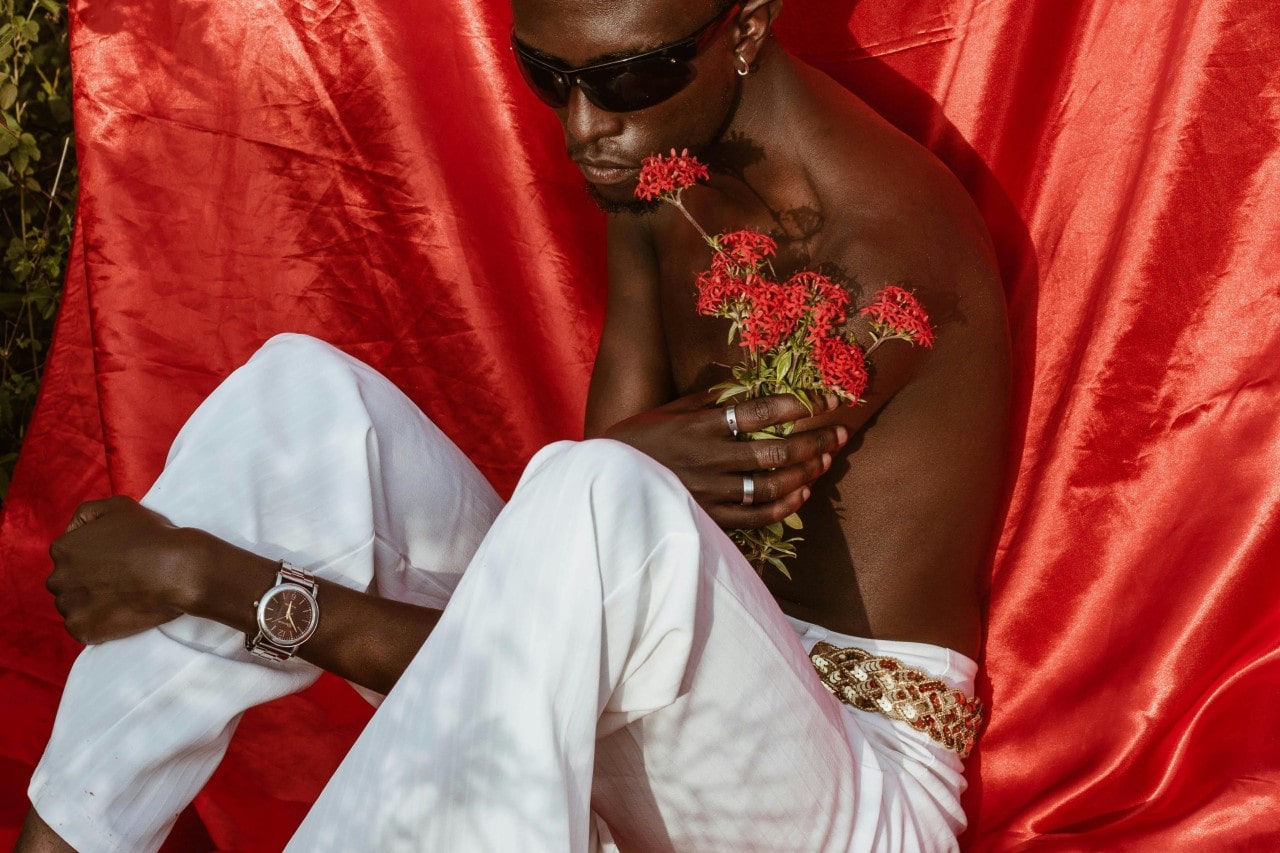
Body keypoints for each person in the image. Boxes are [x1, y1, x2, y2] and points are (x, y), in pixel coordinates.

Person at [17, 0, 1009, 850]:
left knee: (596, 490)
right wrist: (613, 469)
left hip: (837, 794)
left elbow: (569, 579)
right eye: (548, 76)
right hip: (612, 723)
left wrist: (209, 578)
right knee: (302, 406)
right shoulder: (659, 169)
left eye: (625, 79)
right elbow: (559, 611)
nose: (584, 131)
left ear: (746, 24)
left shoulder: (874, 267)